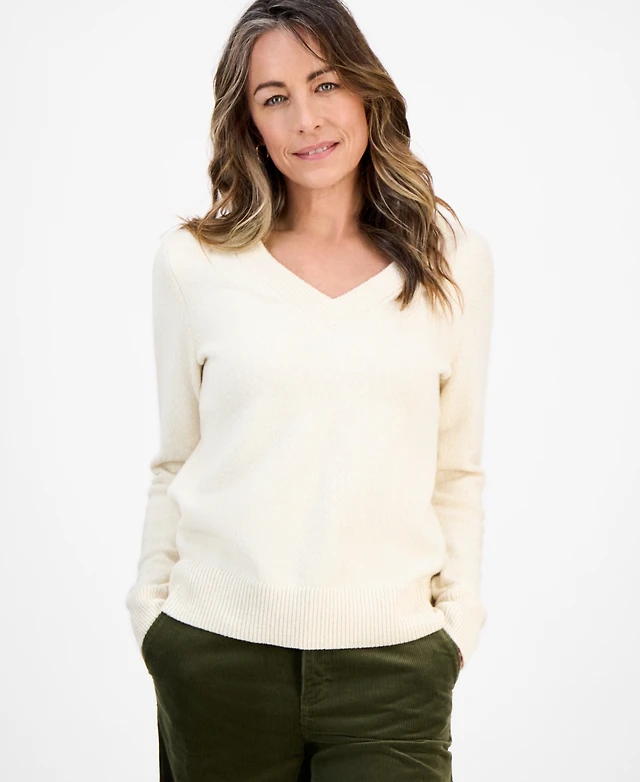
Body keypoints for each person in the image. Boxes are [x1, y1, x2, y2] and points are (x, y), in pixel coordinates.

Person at [125, 0, 495, 779]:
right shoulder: (194, 265)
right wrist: (154, 617)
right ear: (249, 124)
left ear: (365, 89)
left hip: (393, 668)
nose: (306, 119)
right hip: (216, 659)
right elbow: (177, 459)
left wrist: (456, 626)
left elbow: (456, 470)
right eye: (274, 98)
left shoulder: (452, 263)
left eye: (325, 84)